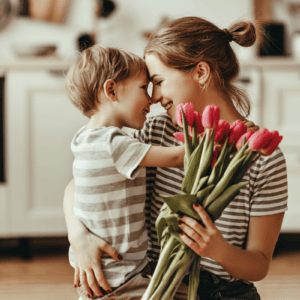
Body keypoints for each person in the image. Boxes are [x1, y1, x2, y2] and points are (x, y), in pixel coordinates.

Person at [64, 17, 288, 300]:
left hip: (223, 293)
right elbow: (82, 182)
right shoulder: (156, 132)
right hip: (154, 285)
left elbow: (259, 265)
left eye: (158, 82)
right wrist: (78, 236)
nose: (154, 97)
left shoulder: (263, 158)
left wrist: (217, 249)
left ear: (201, 72)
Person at [64, 45, 190, 300]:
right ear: (111, 90)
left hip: (108, 273)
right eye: (144, 88)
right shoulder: (113, 144)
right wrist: (229, 137)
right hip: (121, 277)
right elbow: (179, 158)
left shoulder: (84, 138)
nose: (151, 99)